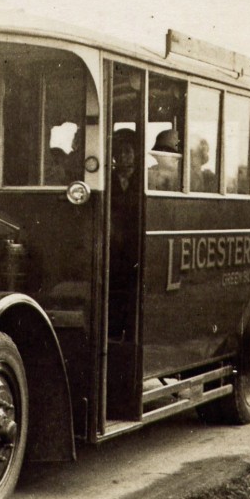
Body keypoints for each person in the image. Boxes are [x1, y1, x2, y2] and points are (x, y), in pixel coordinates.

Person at [109, 128, 141, 340]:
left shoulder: (142, 180)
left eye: (128, 151)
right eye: (119, 151)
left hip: (135, 248)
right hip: (113, 249)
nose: (123, 156)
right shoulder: (108, 179)